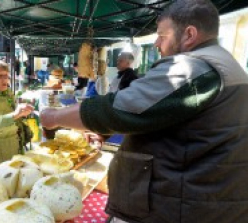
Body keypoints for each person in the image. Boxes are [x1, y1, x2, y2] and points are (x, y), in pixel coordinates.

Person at [40, 0, 248, 222]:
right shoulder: (224, 65)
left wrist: (52, 117)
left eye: (162, 35)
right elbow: (170, 121)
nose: (157, 43)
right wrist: (105, 133)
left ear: (189, 34)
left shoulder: (193, 69)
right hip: (202, 200)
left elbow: (115, 109)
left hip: (182, 207)